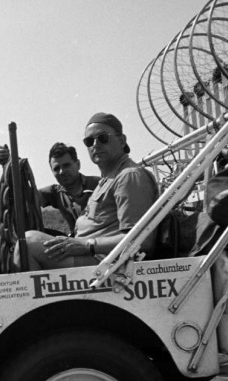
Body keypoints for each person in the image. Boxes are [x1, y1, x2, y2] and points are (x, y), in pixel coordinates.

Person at [16, 113, 159, 271]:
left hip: (106, 263)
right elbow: (27, 198)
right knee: (23, 241)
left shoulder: (129, 176)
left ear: (122, 141)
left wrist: (86, 245)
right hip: (89, 256)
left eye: (103, 138)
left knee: (28, 244)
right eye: (89, 141)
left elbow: (141, 240)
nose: (95, 144)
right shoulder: (107, 180)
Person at [0, 142, 100, 234]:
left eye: (66, 165)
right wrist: (10, 163)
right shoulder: (55, 192)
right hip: (76, 243)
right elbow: (27, 196)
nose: (62, 172)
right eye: (56, 168)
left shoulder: (99, 185)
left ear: (78, 164)